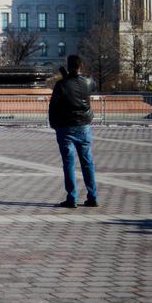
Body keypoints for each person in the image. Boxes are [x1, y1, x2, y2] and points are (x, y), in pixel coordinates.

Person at [49, 54, 98, 208]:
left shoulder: (61, 85)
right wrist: (69, 77)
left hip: (65, 127)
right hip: (84, 126)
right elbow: (87, 86)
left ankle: (72, 197)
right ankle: (92, 196)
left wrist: (54, 124)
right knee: (87, 162)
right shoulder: (88, 82)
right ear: (80, 66)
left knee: (69, 164)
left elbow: (53, 106)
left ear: (69, 66)